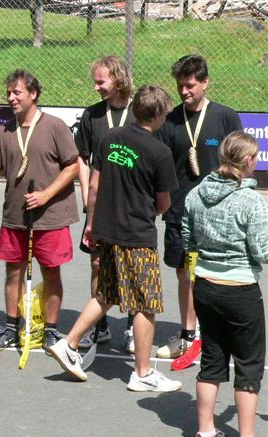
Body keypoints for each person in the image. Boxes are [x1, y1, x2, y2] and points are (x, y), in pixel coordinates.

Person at [51, 85, 183, 393]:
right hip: (137, 235)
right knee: (146, 303)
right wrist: (153, 207)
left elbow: (94, 187)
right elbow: (164, 203)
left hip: (107, 231)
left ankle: (68, 344)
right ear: (158, 114)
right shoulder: (159, 152)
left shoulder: (110, 139)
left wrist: (91, 224)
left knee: (107, 294)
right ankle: (143, 372)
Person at [183, 132, 268, 437]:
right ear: (247, 161)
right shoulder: (251, 201)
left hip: (206, 286)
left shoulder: (196, 194)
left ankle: (205, 431)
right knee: (249, 364)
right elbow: (261, 251)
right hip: (240, 290)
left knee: (212, 358)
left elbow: (188, 238)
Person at [0, 70, 79, 356]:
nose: (11, 98)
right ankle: (11, 327)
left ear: (33, 94)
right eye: (8, 93)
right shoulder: (4, 131)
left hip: (51, 218)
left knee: (51, 272)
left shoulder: (55, 127)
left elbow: (73, 166)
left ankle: (50, 330)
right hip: (15, 216)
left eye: (17, 93)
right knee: (13, 271)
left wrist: (46, 195)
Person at [155, 54, 242, 359]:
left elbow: (238, 165)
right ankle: (187, 334)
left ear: (205, 83)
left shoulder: (226, 117)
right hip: (180, 212)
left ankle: (218, 333)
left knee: (218, 274)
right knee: (185, 275)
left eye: (190, 85)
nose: (184, 91)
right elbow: (159, 167)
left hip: (218, 214)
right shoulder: (169, 121)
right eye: (180, 85)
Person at [75, 55, 137, 353]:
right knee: (98, 264)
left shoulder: (139, 113)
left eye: (101, 82)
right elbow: (82, 158)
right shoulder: (92, 115)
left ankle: (132, 325)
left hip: (132, 206)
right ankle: (98, 326)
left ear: (118, 79)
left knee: (132, 267)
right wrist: (87, 197)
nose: (96, 87)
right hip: (100, 205)